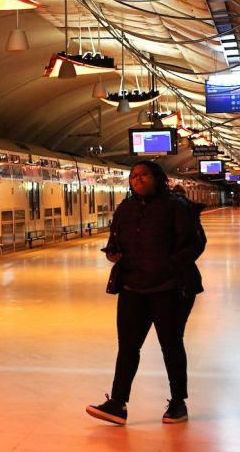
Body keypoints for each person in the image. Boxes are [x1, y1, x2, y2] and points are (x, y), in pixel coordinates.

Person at [87, 161, 204, 426]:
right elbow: (114, 240)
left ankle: (177, 403)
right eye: (133, 176)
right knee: (127, 347)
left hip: (170, 288)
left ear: (157, 178)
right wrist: (113, 253)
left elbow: (197, 243)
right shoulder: (125, 208)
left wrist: (170, 267)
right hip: (132, 287)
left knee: (171, 345)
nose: (137, 179)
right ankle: (117, 403)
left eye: (143, 175)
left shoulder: (177, 206)